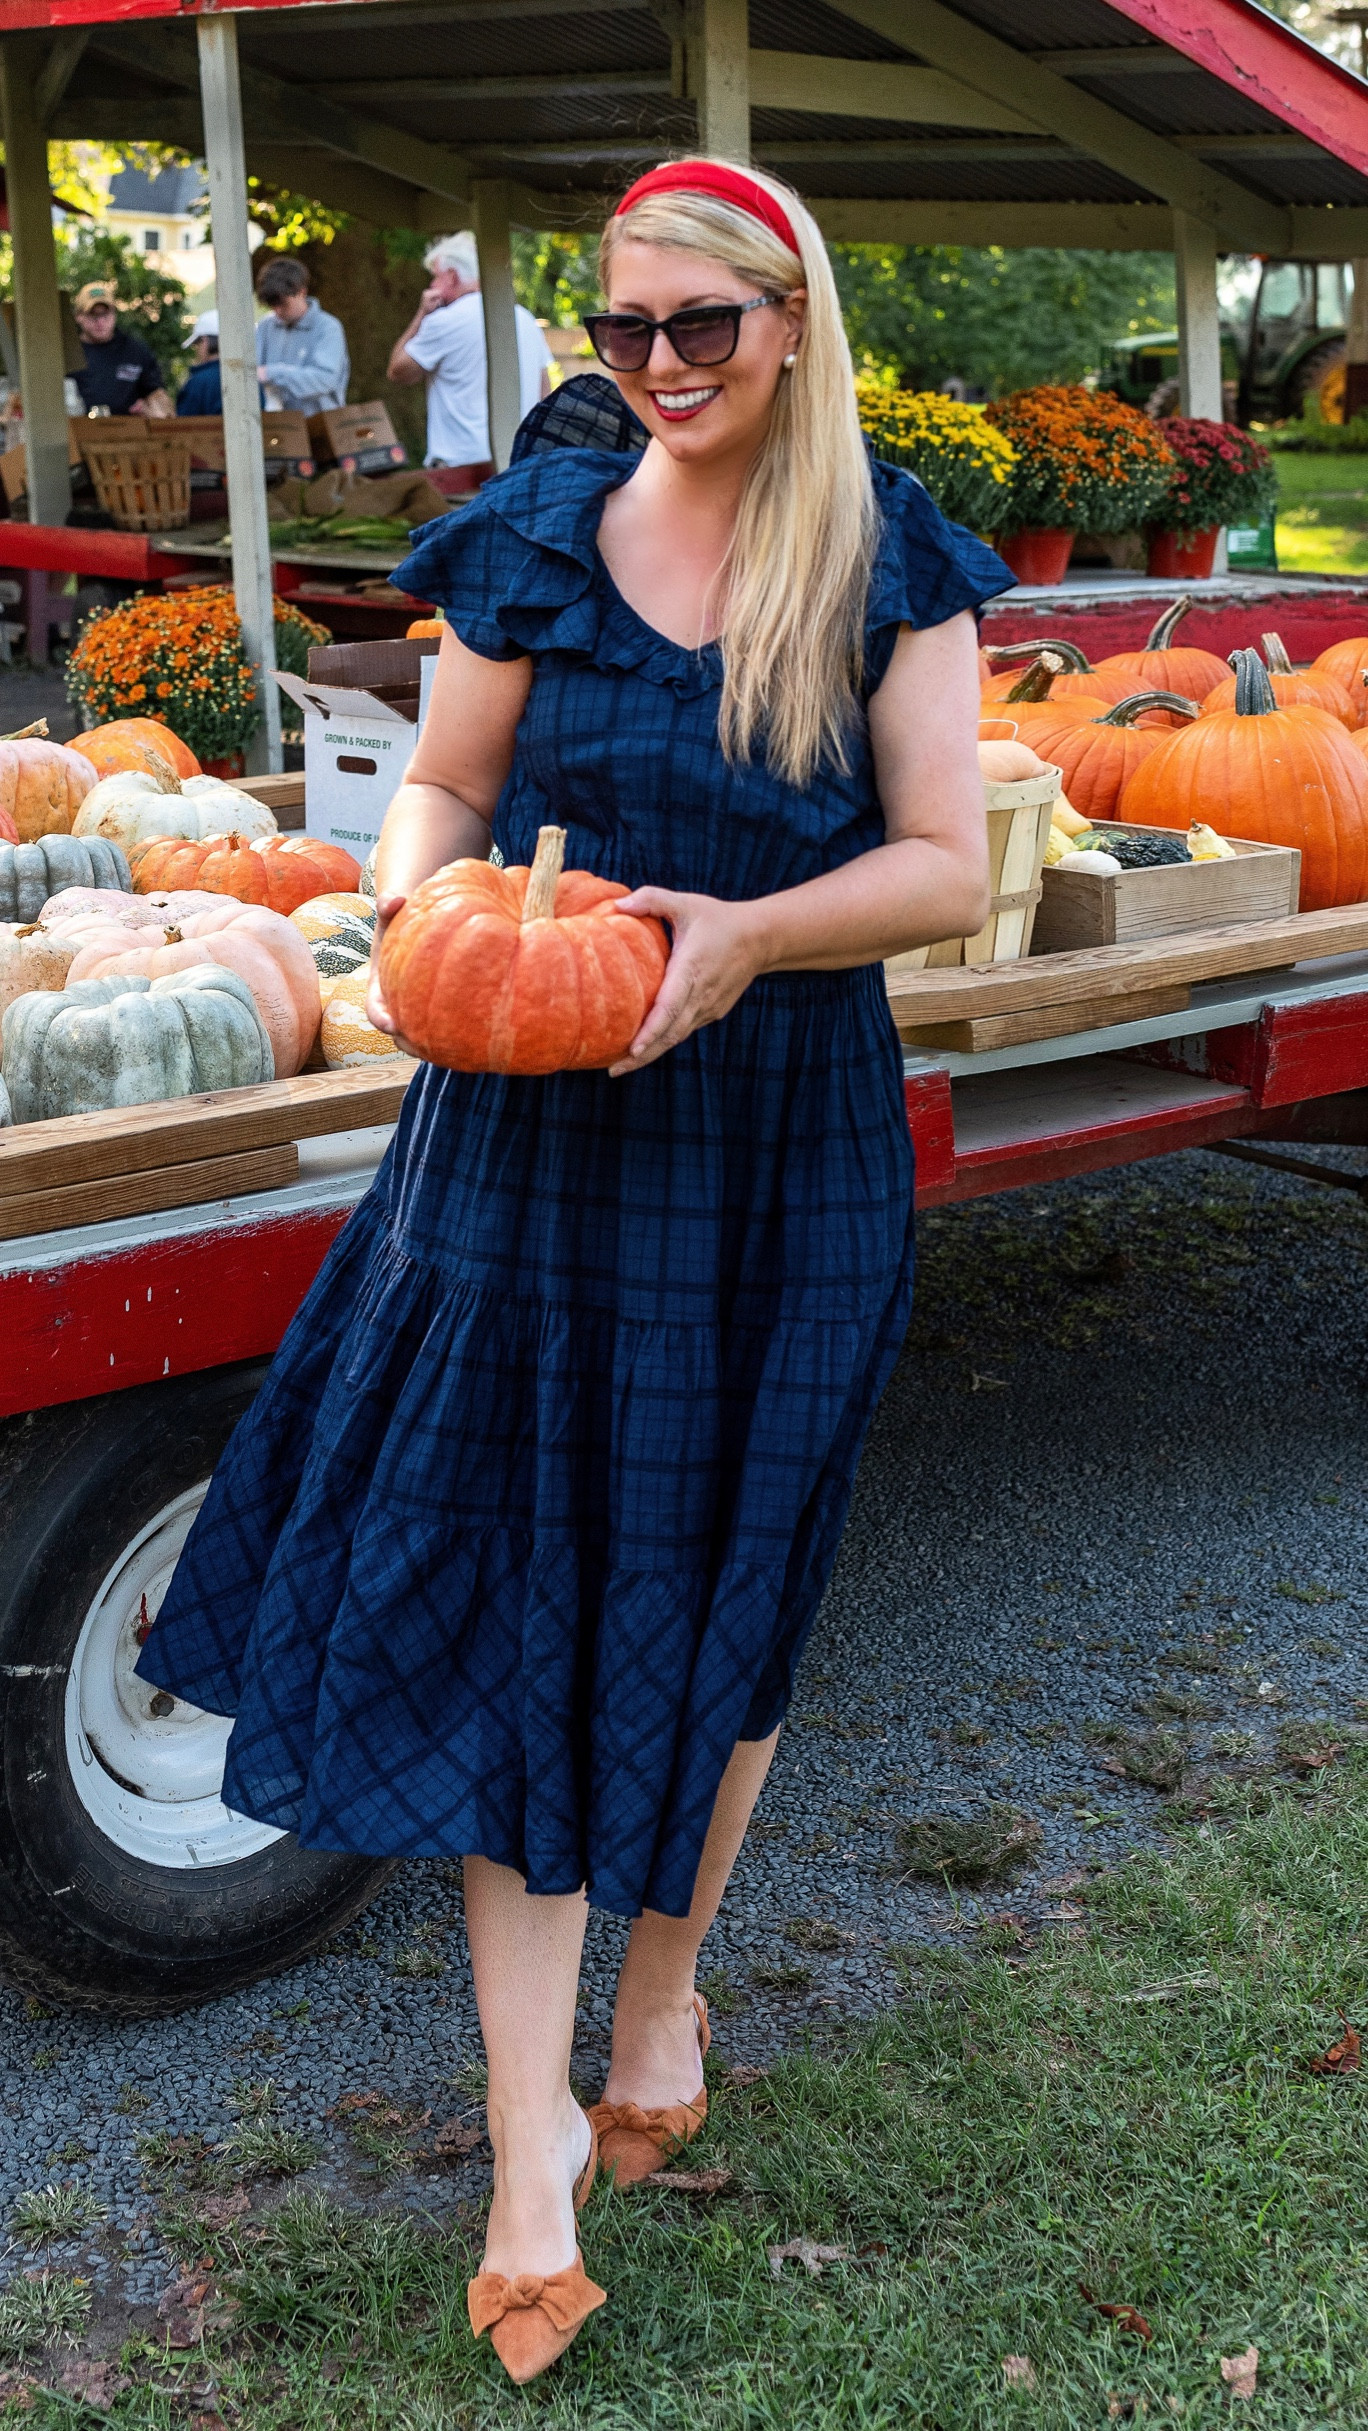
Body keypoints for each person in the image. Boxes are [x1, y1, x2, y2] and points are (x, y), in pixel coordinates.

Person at [137, 160, 1009, 2385]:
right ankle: (527, 2149)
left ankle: (661, 1996)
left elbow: (936, 862)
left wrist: (747, 934)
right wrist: (416, 917)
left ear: (789, 321)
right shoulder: (532, 538)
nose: (652, 372)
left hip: (779, 1142)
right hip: (524, 1140)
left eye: (695, 332)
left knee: (728, 1586)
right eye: (616, 334)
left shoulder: (891, 558)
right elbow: (438, 789)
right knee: (526, 1597)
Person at [386, 229, 553, 468]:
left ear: (452, 277)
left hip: (462, 467)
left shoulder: (444, 321)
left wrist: (421, 314)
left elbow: (397, 371)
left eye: (435, 277)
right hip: (519, 460)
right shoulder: (525, 319)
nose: (431, 285)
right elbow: (545, 394)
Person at [254, 256, 349, 418]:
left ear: (302, 292)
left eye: (283, 304)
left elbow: (324, 380)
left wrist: (273, 373)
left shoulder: (327, 328)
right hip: (278, 425)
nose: (277, 311)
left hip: (320, 426)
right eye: (272, 305)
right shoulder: (265, 326)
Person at [71, 282, 171, 417]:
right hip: (78, 430)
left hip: (128, 431)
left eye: (105, 314)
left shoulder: (135, 351)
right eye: (93, 315)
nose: (100, 322)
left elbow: (156, 393)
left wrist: (154, 410)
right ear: (79, 316)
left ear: (114, 314)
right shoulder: (68, 353)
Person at [176, 311, 222, 417]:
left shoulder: (198, 382)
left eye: (197, 344)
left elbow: (183, 424)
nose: (196, 351)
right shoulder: (251, 377)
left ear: (205, 342)